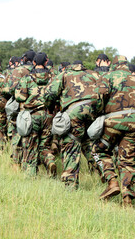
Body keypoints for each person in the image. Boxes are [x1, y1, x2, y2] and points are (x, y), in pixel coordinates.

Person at [91, 56, 135, 206]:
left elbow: (97, 97)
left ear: (113, 65)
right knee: (128, 160)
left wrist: (97, 114)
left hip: (112, 122)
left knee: (98, 150)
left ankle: (112, 181)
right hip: (134, 123)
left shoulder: (107, 77)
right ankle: (127, 195)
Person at [45, 59, 106, 189]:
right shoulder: (94, 74)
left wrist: (50, 108)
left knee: (71, 144)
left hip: (74, 114)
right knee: (90, 145)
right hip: (92, 113)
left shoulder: (65, 75)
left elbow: (49, 93)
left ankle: (70, 183)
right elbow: (104, 92)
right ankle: (104, 171)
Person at [15, 52, 56, 177]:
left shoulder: (27, 78)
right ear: (46, 62)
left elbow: (19, 97)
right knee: (45, 145)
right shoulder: (53, 78)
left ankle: (30, 176)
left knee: (30, 146)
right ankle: (49, 160)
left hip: (32, 115)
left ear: (33, 62)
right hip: (49, 115)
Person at [2, 50, 36, 170]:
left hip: (21, 107)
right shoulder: (41, 71)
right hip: (38, 109)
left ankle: (17, 162)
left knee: (17, 134)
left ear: (24, 58)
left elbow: (10, 89)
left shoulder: (18, 70)